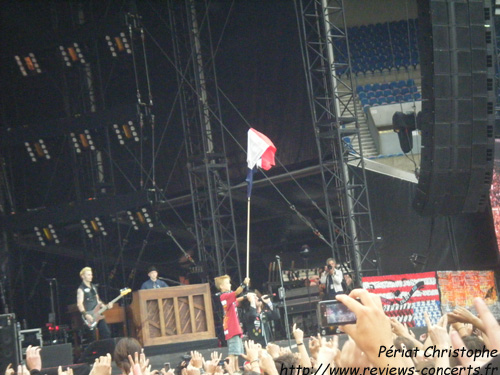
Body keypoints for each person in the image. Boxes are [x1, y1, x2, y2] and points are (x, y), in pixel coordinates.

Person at [214, 274, 250, 372]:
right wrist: (244, 284)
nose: (230, 285)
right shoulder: (225, 296)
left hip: (235, 327)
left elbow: (236, 299)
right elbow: (236, 293)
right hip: (231, 327)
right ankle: (231, 370)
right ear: (221, 286)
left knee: (237, 351)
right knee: (233, 351)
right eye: (227, 283)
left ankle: (236, 369)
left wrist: (245, 297)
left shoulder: (228, 298)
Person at [76, 267, 113, 341]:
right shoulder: (81, 289)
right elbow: (79, 304)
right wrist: (86, 315)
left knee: (106, 333)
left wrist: (106, 306)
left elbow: (98, 301)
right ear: (83, 276)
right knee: (92, 337)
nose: (91, 276)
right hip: (90, 315)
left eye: (91, 274)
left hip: (98, 314)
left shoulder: (93, 287)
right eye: (88, 275)